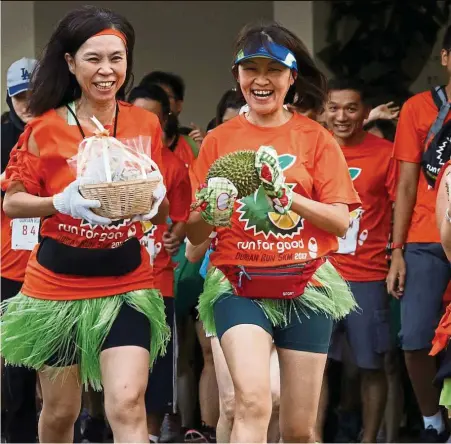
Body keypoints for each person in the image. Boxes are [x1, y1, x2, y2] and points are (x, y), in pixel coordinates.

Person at [0, 6, 170, 443]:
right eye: (93, 58)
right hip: (55, 287)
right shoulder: (44, 128)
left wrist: (157, 203)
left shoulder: (144, 123)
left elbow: (162, 207)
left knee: (127, 402)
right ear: (70, 63)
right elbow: (14, 202)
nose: (107, 69)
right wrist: (61, 201)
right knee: (60, 412)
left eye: (117, 57)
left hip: (127, 281)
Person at [186, 21, 361, 443]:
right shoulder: (217, 140)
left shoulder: (316, 138)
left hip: (306, 283)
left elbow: (340, 220)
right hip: (237, 282)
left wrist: (289, 198)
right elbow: (194, 235)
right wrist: (213, 209)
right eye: (251, 70)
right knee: (251, 402)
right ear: (237, 77)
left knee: (299, 428)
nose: (261, 81)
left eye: (273, 71)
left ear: (291, 77)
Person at [318, 78, 397, 443]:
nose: (342, 116)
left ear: (365, 113)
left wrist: (397, 255)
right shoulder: (313, 149)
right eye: (334, 107)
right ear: (324, 110)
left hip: (368, 275)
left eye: (351, 108)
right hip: (318, 274)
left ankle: (368, 440)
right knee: (313, 366)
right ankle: (311, 436)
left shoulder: (386, 153)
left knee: (371, 365)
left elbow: (401, 207)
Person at [387, 24, 451, 442]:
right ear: (445, 57)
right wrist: (396, 251)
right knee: (414, 339)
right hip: (425, 240)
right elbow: (406, 184)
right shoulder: (418, 109)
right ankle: (432, 422)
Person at [129, 84, 192, 443]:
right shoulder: (105, 159)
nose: (143, 122)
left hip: (157, 281)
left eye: (152, 115)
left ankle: (150, 435)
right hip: (114, 281)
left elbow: (183, 214)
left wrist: (177, 233)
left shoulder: (172, 166)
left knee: (157, 362)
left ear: (165, 120)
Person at [1, 57, 39, 444]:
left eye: (34, 94)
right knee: (16, 355)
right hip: (10, 261)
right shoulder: (0, 134)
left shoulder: (62, 128)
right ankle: (17, 431)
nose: (27, 103)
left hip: (58, 258)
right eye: (20, 96)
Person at [139, 71, 203, 162]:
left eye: (166, 96)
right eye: (153, 97)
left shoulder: (193, 146)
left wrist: (205, 151)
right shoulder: (126, 145)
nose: (160, 103)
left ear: (179, 105)